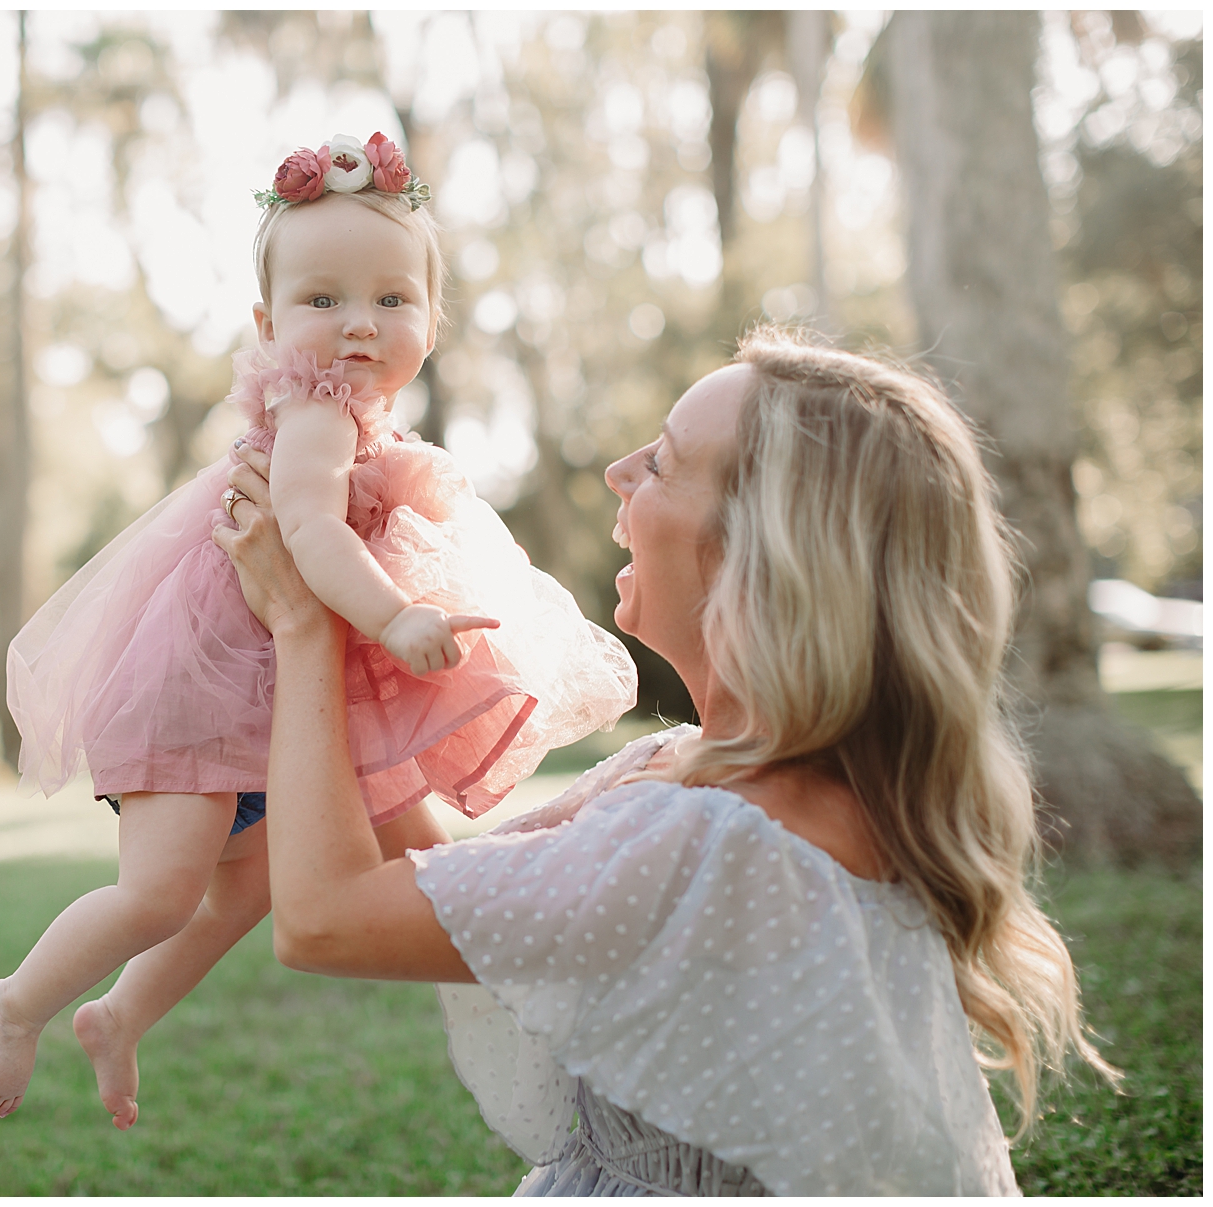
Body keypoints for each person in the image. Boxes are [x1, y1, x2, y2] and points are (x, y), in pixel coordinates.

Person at [212, 328, 1118, 1195]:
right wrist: (365, 632)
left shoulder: (713, 836)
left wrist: (304, 628)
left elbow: (325, 919)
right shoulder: (712, 774)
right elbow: (441, 881)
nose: (618, 471)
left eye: (662, 463)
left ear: (761, 557)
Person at [0, 134, 637, 1129]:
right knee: (161, 893)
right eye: (323, 301)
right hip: (200, 689)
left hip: (251, 693)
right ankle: (18, 1000)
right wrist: (395, 612)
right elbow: (312, 532)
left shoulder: (364, 420)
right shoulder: (318, 411)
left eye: (390, 299)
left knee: (246, 889)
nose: (358, 325)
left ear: (432, 316)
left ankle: (121, 1015)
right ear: (268, 323)